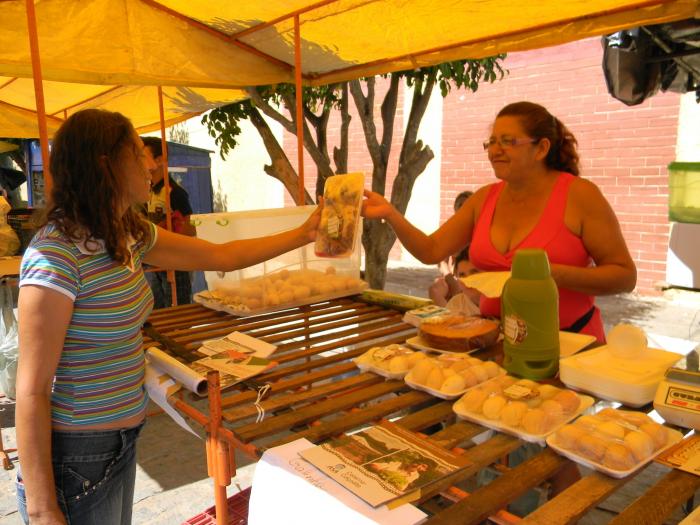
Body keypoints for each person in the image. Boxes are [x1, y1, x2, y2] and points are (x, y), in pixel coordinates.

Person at [15, 109, 321, 525]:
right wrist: (42, 509)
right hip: (77, 455)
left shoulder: (125, 233)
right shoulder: (56, 256)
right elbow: (30, 391)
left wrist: (304, 233)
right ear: (107, 163)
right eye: (140, 154)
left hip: (120, 440)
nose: (152, 164)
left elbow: (221, 255)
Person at [363, 101, 636, 342]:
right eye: (492, 142)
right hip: (498, 340)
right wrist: (391, 214)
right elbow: (431, 250)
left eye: (508, 141)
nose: (495, 150)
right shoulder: (484, 199)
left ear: (541, 148)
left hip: (570, 343)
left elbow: (624, 276)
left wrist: (549, 274)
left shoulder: (579, 195)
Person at [141, 136, 195, 308]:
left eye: (144, 156)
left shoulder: (174, 192)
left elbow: (190, 229)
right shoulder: (146, 191)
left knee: (179, 313)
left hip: (175, 262)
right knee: (157, 311)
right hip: (155, 262)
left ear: (159, 160)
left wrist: (170, 231)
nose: (142, 162)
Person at [428, 190, 474, 306]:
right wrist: (451, 281)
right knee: (435, 289)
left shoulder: (481, 230)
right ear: (455, 209)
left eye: (468, 205)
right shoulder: (451, 231)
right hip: (455, 278)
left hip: (475, 280)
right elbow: (442, 262)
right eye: (460, 205)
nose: (464, 209)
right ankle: (448, 317)